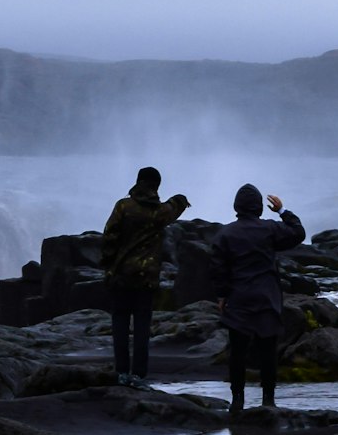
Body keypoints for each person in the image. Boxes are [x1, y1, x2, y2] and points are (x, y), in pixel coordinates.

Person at [210, 183, 306, 414]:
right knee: (268, 351)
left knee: (238, 353)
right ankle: (268, 400)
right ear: (259, 208)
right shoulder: (270, 229)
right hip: (267, 297)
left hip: (239, 297)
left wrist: (222, 295)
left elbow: (219, 268)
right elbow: (298, 233)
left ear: (237, 206)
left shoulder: (226, 233)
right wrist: (283, 211)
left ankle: (238, 401)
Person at [100, 166, 190, 388]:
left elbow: (109, 236)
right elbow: (174, 208)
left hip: (121, 277)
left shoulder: (123, 206)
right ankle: (139, 376)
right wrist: (181, 199)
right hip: (146, 279)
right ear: (156, 186)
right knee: (142, 327)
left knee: (120, 324)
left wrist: (109, 264)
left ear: (138, 181)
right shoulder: (159, 212)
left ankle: (121, 372)